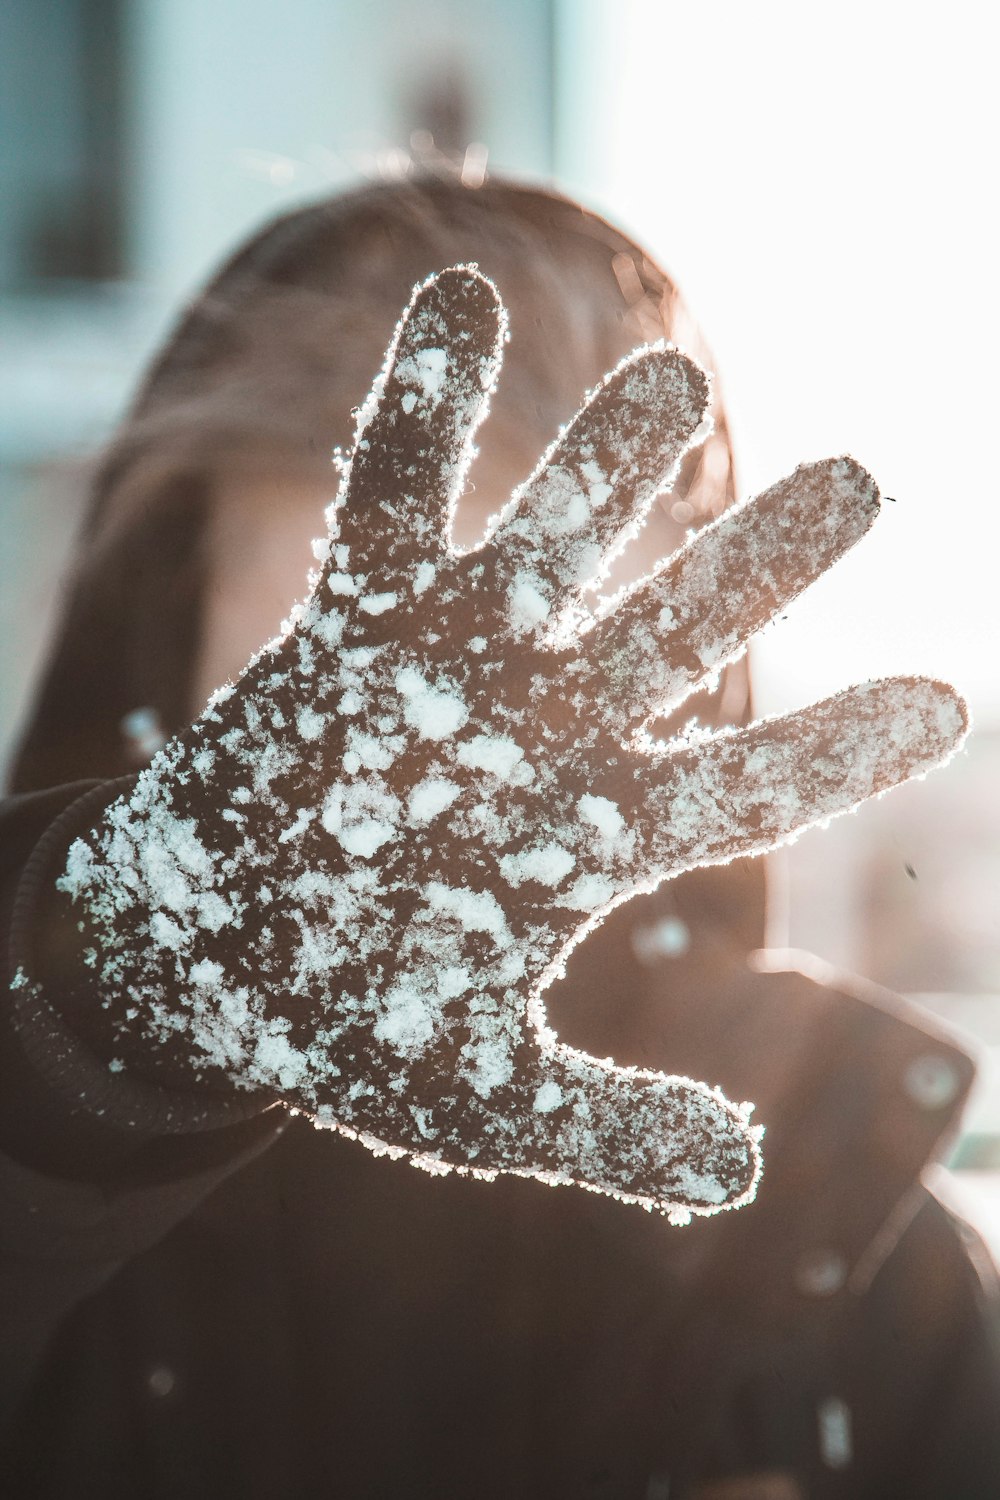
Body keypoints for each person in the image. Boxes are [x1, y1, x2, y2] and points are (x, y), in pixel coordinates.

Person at [1, 172, 998, 1499]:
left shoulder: (870, 1273)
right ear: (162, 662)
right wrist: (83, 1061)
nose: (432, 796)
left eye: (527, 699)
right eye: (332, 697)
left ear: (687, 709)